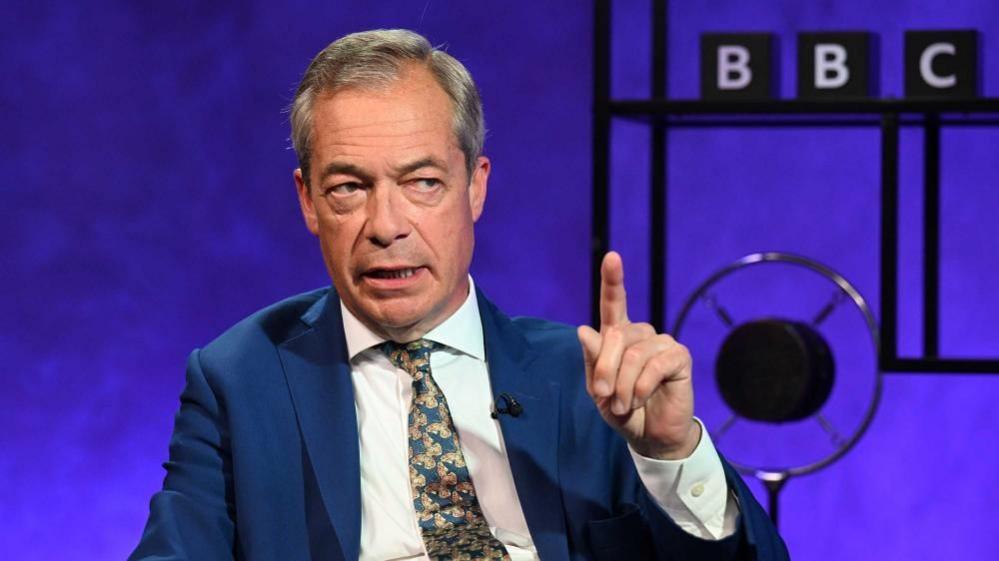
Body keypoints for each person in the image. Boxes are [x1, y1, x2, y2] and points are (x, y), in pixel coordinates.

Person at [130, 29, 788, 561]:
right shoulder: (240, 378)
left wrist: (671, 452)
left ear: (474, 186)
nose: (386, 226)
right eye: (348, 188)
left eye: (421, 182)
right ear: (307, 200)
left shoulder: (590, 380)